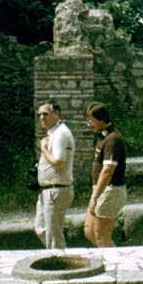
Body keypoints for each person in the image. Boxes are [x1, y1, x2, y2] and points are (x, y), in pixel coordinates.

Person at [83, 102, 127, 248]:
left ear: (102, 119)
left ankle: (116, 267)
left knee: (101, 237)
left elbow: (107, 171)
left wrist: (95, 197)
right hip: (101, 190)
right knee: (89, 231)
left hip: (110, 191)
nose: (89, 124)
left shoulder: (113, 139)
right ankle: (111, 258)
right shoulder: (103, 136)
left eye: (91, 121)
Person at [33, 100, 75, 249]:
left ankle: (59, 265)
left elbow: (58, 162)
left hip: (56, 190)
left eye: (45, 114)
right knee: (41, 229)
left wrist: (43, 149)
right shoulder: (54, 133)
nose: (41, 118)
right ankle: (60, 257)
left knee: (53, 236)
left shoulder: (60, 134)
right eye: (39, 115)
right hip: (47, 191)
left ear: (56, 114)